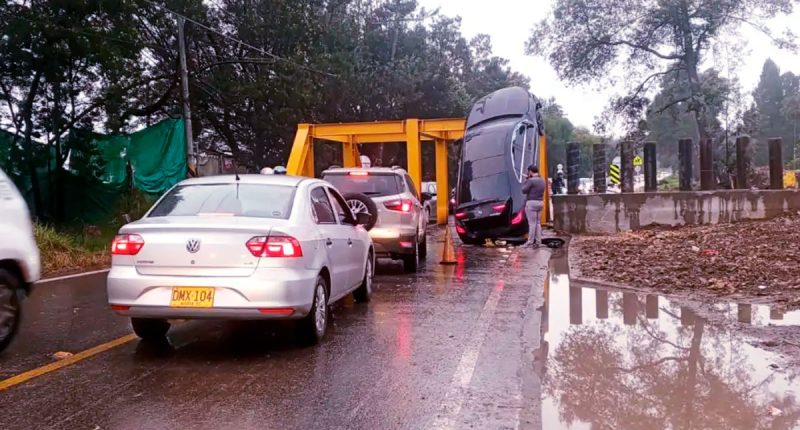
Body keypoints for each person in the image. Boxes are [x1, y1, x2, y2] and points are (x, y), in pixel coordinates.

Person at [521, 164, 546, 248]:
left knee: (532, 224)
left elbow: (523, 190)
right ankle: (538, 242)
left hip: (531, 203)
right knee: (538, 223)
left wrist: (526, 180)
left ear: (530, 171)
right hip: (540, 203)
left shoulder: (531, 181)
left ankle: (530, 242)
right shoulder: (542, 180)